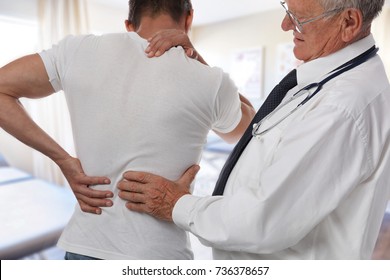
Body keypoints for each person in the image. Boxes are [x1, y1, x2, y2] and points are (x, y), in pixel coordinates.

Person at [117, 0, 390, 259]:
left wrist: (174, 203)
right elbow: (258, 128)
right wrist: (197, 66)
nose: (285, 24)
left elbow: (262, 219)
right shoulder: (327, 77)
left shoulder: (341, 107)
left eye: (298, 18)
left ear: (349, 22)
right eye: (287, 9)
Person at [0, 0, 255, 260]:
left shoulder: (76, 51)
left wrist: (62, 160)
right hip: (158, 255)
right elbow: (250, 131)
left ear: (129, 25)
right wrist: (197, 59)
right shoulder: (210, 80)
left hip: (85, 247)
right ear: (189, 18)